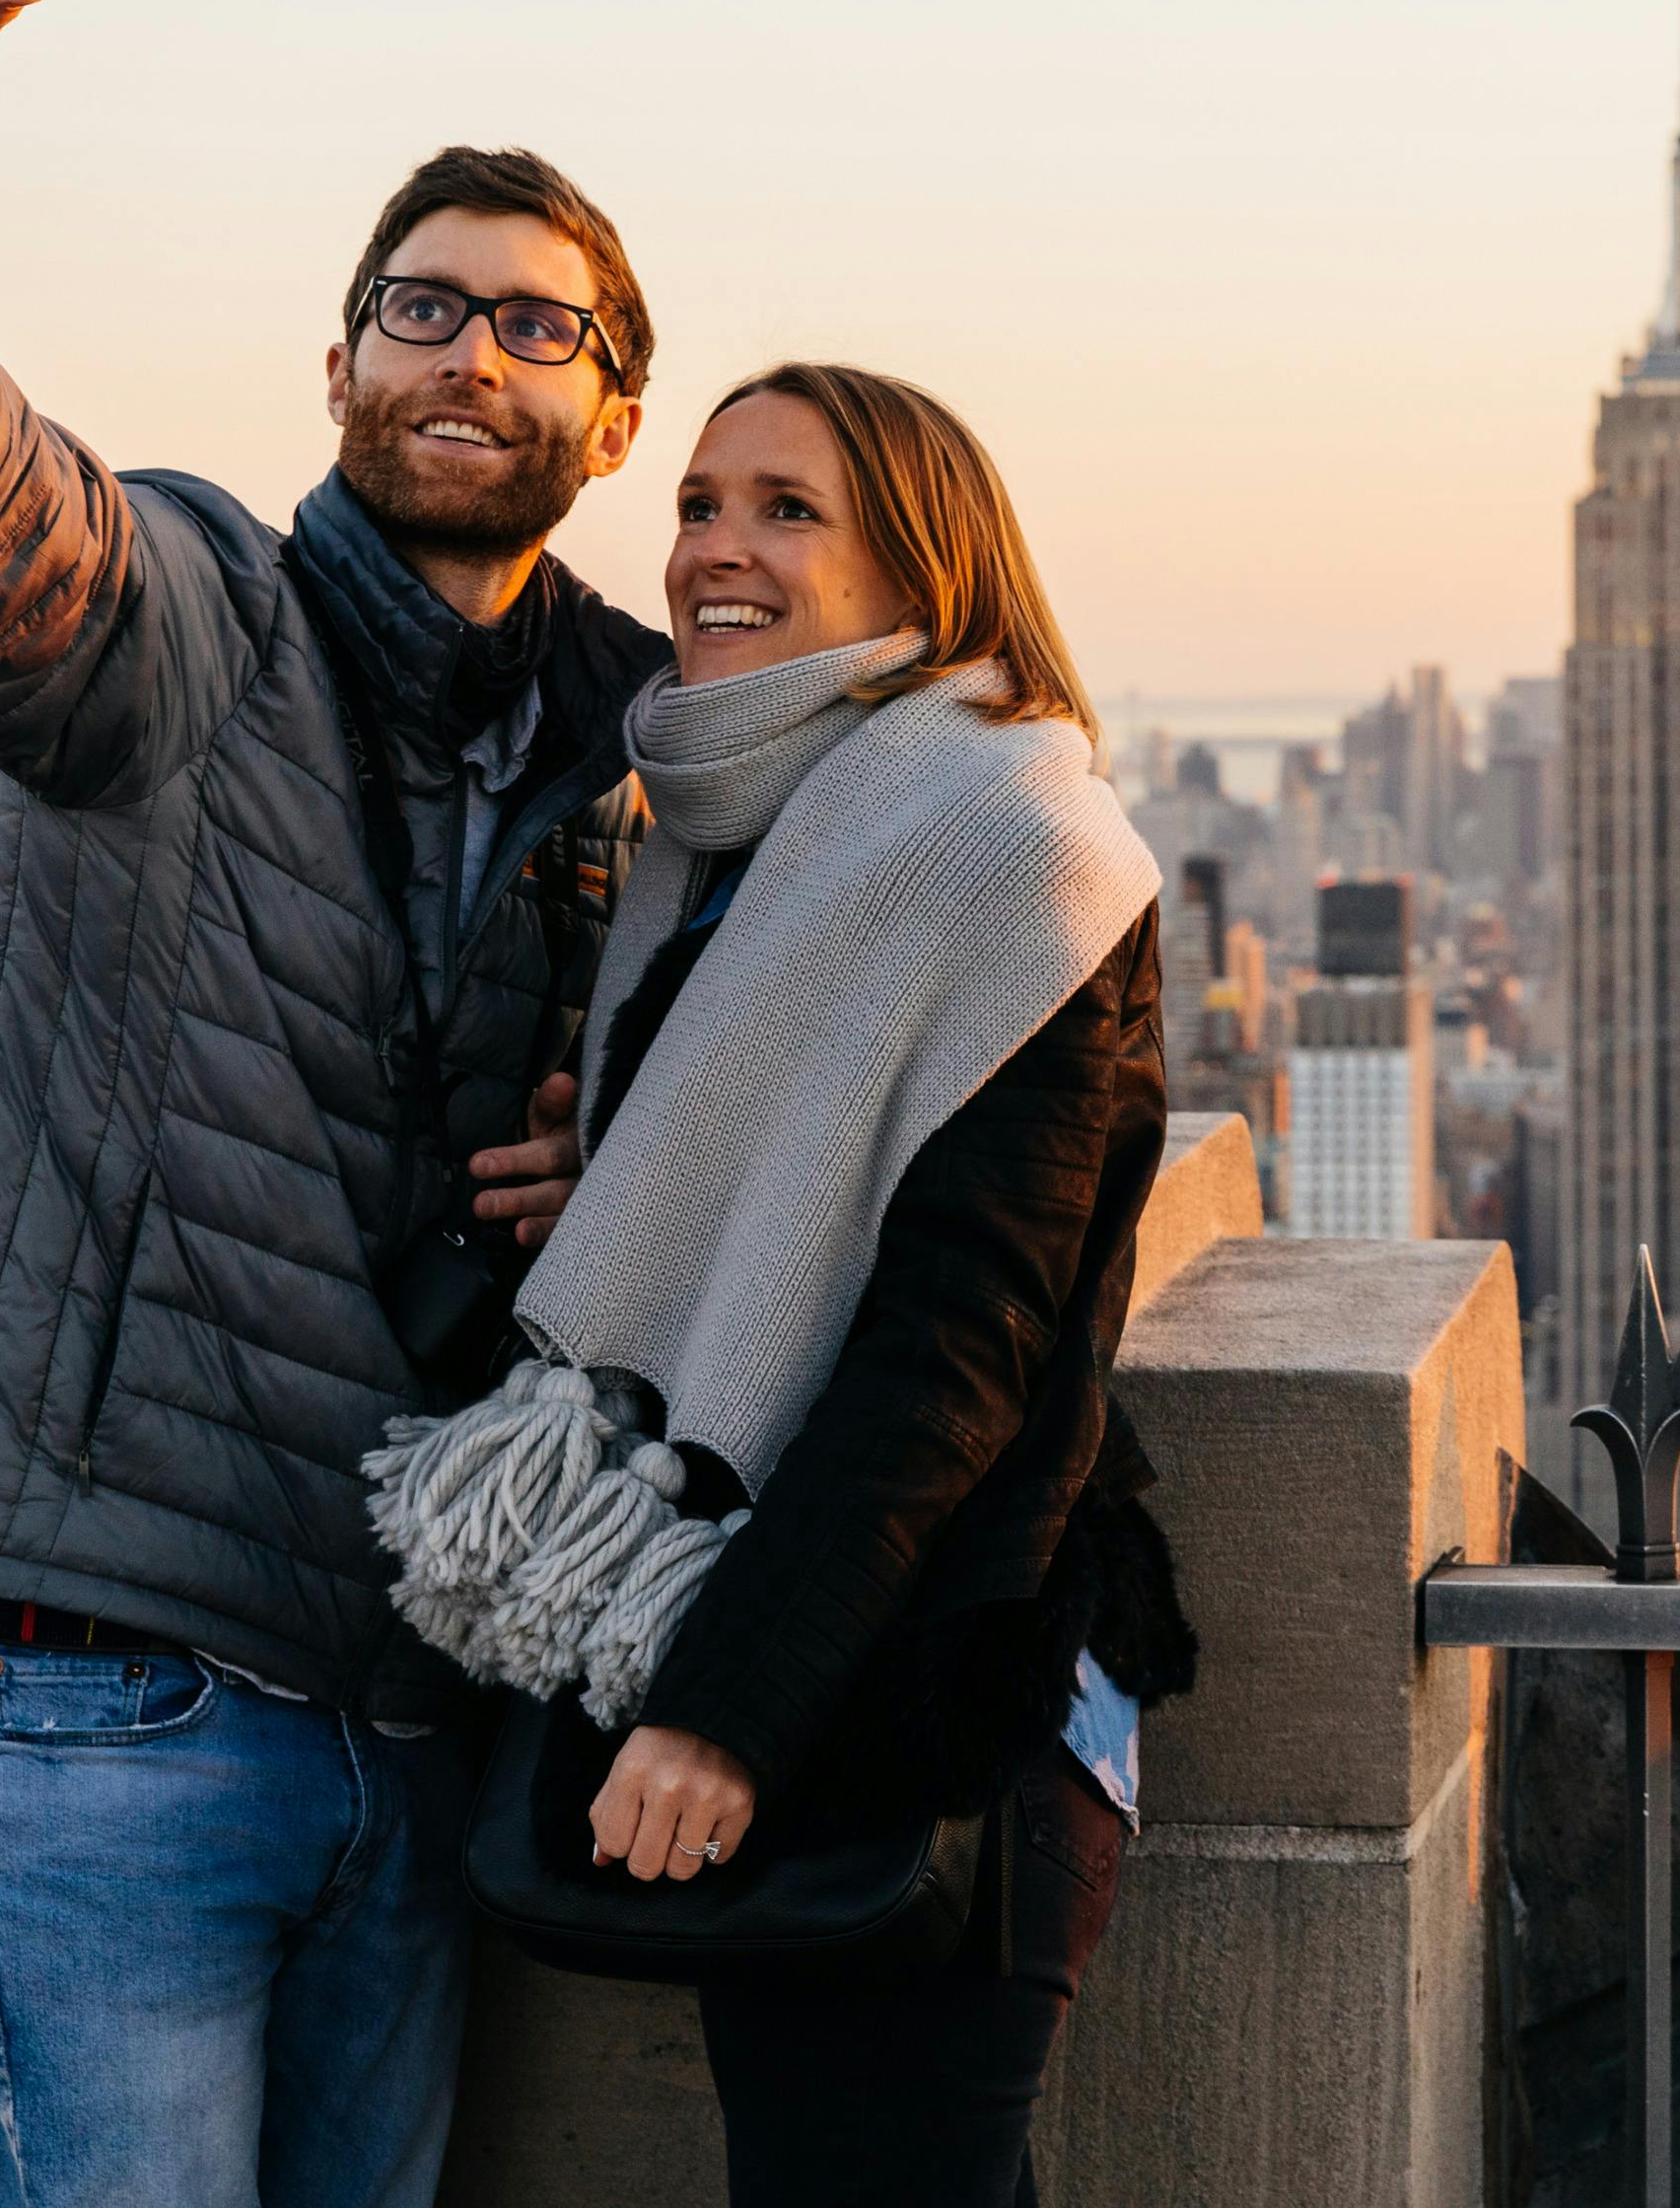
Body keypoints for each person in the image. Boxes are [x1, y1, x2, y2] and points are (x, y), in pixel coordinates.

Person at [0, 0, 664, 2206]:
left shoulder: (657, 746)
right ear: (342, 361)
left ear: (614, 410)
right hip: (113, 1689)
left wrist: (638, 1149)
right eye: (421, 304)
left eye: (536, 321)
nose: (471, 349)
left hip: (433, 1697)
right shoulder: (183, 624)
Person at [370, 362, 1200, 2205]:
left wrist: (725, 1709)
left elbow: (953, 1359)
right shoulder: (734, 848)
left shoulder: (1011, 851)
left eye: (786, 508)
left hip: (927, 1693)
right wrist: (627, 1180)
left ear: (929, 565)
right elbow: (795, 1200)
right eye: (695, 502)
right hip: (794, 1644)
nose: (714, 548)